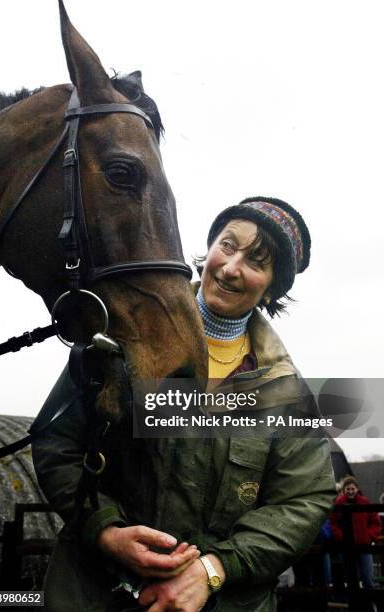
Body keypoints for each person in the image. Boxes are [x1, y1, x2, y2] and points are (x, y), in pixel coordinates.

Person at [32, 197, 336, 612]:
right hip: (95, 594)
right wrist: (104, 530)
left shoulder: (284, 393)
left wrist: (214, 569)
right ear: (209, 249)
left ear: (272, 289)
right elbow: (57, 444)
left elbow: (304, 499)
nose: (231, 268)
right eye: (228, 245)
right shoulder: (122, 339)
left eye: (257, 262)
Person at [331, 475, 381, 589]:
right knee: (351, 580)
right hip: (347, 547)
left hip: (364, 547)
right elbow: (333, 524)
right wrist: (342, 537)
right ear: (344, 490)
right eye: (348, 489)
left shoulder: (365, 502)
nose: (350, 491)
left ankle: (371, 606)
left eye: (352, 489)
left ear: (357, 489)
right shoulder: (338, 504)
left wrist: (368, 536)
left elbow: (375, 522)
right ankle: (356, 606)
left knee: (368, 580)